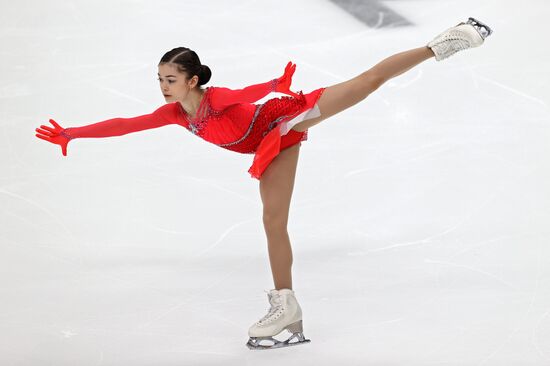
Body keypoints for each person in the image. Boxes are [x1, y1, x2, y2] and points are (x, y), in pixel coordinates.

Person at [35, 17, 493, 350]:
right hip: (268, 147)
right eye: (159, 79)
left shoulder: (214, 98)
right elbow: (125, 123)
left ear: (193, 80)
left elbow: (248, 95)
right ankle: (286, 305)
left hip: (286, 119)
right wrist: (73, 132)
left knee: (367, 81)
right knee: (273, 222)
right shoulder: (174, 114)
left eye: (171, 79)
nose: (163, 87)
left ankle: (446, 42)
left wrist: (277, 82)